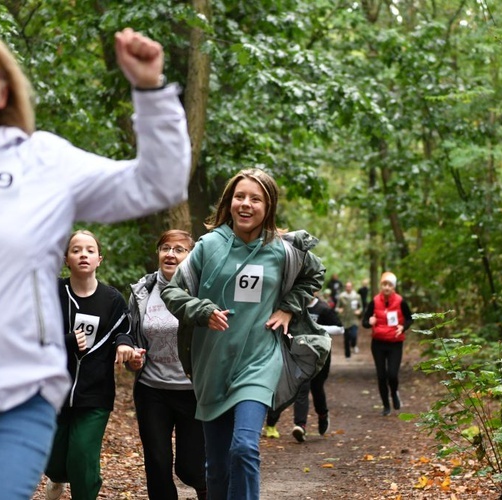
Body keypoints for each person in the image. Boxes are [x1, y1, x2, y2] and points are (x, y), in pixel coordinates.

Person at [0, 17, 190, 500]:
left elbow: (157, 184)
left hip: (11, 404)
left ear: (3, 91)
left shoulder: (41, 162)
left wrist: (150, 92)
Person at [161, 168, 325, 499]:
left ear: (269, 206)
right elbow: (173, 293)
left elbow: (314, 272)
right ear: (229, 202)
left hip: (259, 359)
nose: (245, 204)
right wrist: (203, 312)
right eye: (239, 197)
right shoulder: (209, 246)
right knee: (217, 469)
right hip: (214, 363)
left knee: (245, 448)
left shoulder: (282, 249)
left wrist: (288, 308)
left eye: (255, 198)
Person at [44, 230, 139, 500]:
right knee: (53, 461)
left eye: (89, 250)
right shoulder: (53, 293)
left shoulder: (112, 299)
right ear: (66, 259)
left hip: (95, 393)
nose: (83, 254)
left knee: (83, 459)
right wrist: (68, 340)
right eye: (76, 250)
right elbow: (33, 335)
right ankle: (56, 478)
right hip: (54, 392)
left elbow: (124, 331)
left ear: (100, 259)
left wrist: (123, 345)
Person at [127, 230, 207, 500]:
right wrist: (134, 358)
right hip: (152, 390)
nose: (171, 254)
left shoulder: (201, 288)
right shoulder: (142, 291)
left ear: (191, 255)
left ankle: (209, 490)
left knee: (191, 467)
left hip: (193, 390)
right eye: (165, 248)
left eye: (179, 249)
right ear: (158, 252)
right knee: (158, 464)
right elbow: (131, 334)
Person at [263, 290, 343, 442]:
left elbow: (340, 328)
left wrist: (315, 328)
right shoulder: (295, 307)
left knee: (317, 388)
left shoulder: (323, 308)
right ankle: (300, 426)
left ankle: (323, 415)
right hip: (300, 355)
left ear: (316, 291)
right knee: (302, 387)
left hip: (321, 356)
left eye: (310, 290)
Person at [362, 272, 414, 417]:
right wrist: (369, 322)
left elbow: (410, 318)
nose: (386, 287)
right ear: (381, 286)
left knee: (392, 374)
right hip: (378, 343)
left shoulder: (400, 301)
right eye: (384, 284)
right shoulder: (374, 301)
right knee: (381, 376)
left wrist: (403, 327)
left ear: (393, 287)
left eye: (389, 285)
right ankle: (386, 405)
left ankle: (394, 393)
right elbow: (365, 321)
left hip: (395, 343)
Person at [337, 281, 362, 358]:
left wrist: (359, 311)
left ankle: (354, 345)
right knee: (346, 338)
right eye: (346, 286)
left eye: (349, 286)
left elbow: (361, 307)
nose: (348, 288)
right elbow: (337, 307)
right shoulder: (341, 296)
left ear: (352, 287)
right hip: (345, 320)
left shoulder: (357, 296)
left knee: (354, 335)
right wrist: (339, 310)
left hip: (354, 319)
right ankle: (347, 355)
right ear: (345, 287)